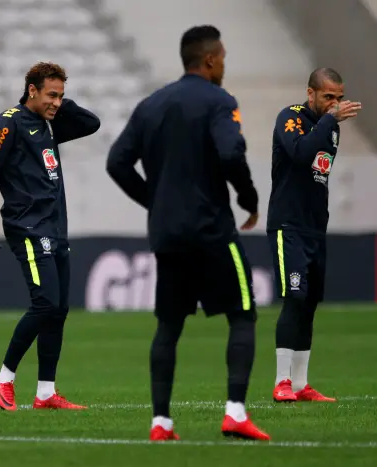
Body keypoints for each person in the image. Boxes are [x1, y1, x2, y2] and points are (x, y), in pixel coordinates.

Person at [106, 25, 270, 441]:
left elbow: (117, 162)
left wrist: (155, 201)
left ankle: (161, 423)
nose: (224, 67)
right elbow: (231, 151)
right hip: (211, 228)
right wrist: (248, 197)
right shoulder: (219, 101)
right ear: (210, 60)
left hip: (168, 234)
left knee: (168, 326)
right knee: (243, 313)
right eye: (224, 60)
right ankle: (234, 412)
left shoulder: (151, 105)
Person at [0, 62, 100, 411]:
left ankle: (45, 392)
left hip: (56, 226)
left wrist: (58, 106)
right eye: (51, 94)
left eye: (61, 96)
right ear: (31, 90)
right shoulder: (9, 121)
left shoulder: (48, 123)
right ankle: (3, 379)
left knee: (58, 310)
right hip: (28, 227)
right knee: (44, 304)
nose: (57, 102)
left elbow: (92, 123)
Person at [268, 68, 360, 403]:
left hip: (315, 228)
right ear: (311, 94)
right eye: (328, 97)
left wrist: (329, 123)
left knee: (309, 304)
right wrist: (328, 121)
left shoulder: (330, 129)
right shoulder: (290, 117)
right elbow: (300, 153)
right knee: (294, 297)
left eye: (339, 97)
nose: (335, 104)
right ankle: (282, 381)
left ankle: (301, 384)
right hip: (288, 225)